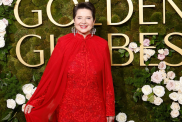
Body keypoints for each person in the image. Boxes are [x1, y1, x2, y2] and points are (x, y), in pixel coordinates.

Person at [24, 1, 115, 122]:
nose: (83, 22)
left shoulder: (102, 45)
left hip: (96, 110)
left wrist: (110, 110)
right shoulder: (63, 43)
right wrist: (36, 101)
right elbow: (51, 77)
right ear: (74, 20)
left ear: (93, 21)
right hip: (67, 110)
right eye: (79, 18)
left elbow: (107, 81)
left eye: (88, 18)